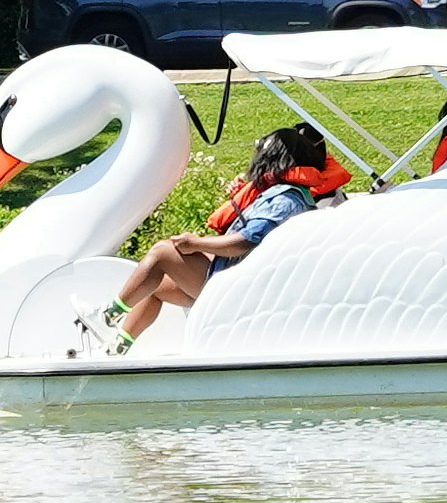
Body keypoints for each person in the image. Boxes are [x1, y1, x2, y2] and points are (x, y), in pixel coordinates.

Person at [111, 123, 340, 344]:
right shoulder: (289, 194)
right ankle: (117, 346)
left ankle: (109, 314)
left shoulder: (284, 200)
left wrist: (196, 243)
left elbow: (245, 242)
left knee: (162, 252)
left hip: (237, 289)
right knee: (155, 287)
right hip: (238, 277)